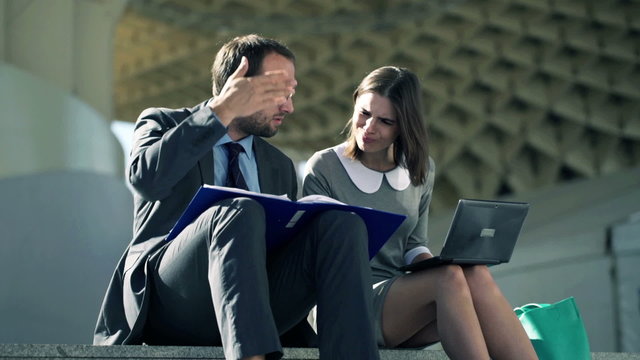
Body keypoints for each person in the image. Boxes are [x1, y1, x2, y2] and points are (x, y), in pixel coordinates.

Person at [94, 34, 379, 360]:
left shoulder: (279, 165)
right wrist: (221, 111)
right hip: (173, 301)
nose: (289, 106)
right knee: (238, 210)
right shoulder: (163, 122)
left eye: (291, 94)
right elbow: (147, 180)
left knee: (343, 225)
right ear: (238, 85)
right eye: (278, 93)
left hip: (254, 304)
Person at [303, 66, 538, 360]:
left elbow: (414, 245)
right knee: (448, 279)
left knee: (473, 272)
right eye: (364, 113)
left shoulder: (421, 169)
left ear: (403, 126)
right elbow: (315, 254)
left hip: (401, 302)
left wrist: (436, 264)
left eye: (385, 121)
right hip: (345, 304)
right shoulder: (324, 167)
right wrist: (442, 274)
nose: (368, 127)